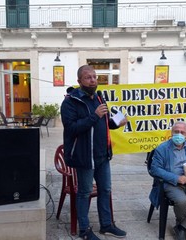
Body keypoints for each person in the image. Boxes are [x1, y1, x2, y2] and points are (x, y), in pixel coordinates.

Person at [61, 65, 127, 240]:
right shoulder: (70, 101)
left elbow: (103, 122)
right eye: (88, 77)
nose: (93, 80)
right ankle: (84, 230)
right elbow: (71, 128)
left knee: (105, 190)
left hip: (102, 155)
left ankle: (106, 225)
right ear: (79, 81)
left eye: (95, 77)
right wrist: (94, 116)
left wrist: (116, 123)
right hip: (84, 157)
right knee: (84, 192)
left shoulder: (99, 98)